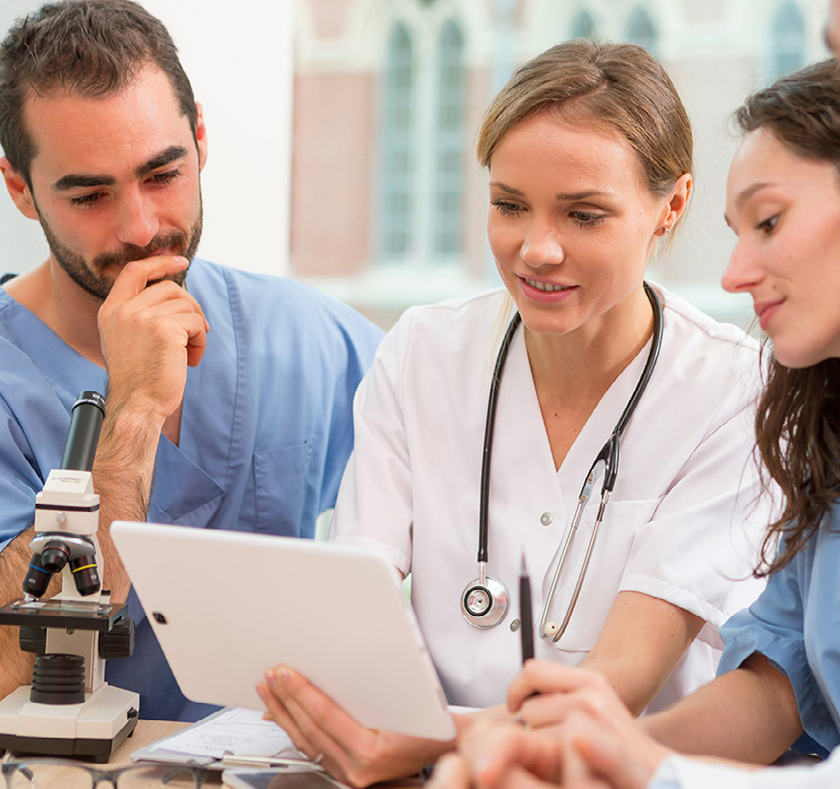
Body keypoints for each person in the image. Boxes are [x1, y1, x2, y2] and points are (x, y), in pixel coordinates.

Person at [430, 0, 840, 789]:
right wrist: (604, 755)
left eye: (769, 222)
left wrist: (646, 766)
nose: (737, 274)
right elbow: (778, 688)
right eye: (509, 204)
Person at [256, 40, 773, 786]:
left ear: (673, 205)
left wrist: (435, 737)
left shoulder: (732, 388)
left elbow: (623, 670)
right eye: (508, 206)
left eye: (584, 214)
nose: (537, 249)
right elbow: (359, 594)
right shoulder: (422, 354)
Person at [0, 0, 383, 721]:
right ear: (20, 189)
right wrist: (133, 412)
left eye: (162, 174)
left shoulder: (299, 331)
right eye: (90, 194)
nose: (142, 227)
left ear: (199, 140)